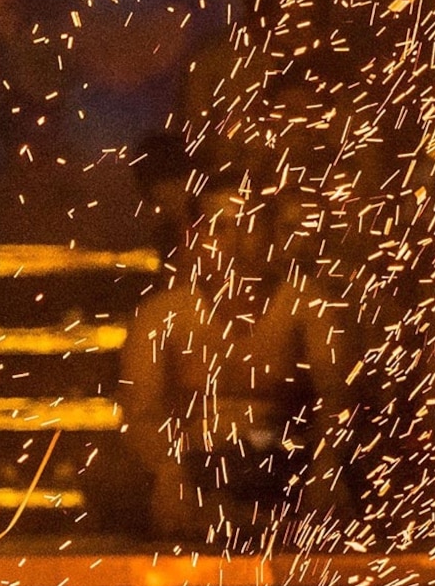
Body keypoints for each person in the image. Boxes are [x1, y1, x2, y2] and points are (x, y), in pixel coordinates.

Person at [119, 165, 353, 544]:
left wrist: (328, 464)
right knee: (113, 481)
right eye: (218, 228)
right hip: (195, 461)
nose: (233, 242)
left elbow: (338, 399)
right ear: (193, 239)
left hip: (279, 460)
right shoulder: (162, 316)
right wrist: (167, 470)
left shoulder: (306, 305)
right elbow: (140, 412)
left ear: (269, 236)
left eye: (247, 225)